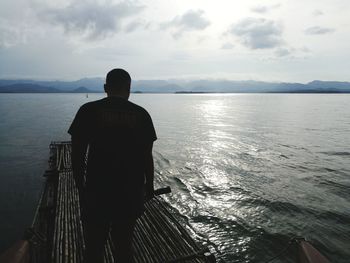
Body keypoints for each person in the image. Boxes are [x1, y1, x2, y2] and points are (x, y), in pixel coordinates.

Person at [68, 68, 157, 263]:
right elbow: (146, 157)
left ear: (105, 87)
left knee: (94, 247)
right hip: (130, 194)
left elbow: (77, 156)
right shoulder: (142, 114)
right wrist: (149, 186)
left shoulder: (88, 110)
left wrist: (80, 188)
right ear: (129, 88)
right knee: (124, 247)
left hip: (96, 192)